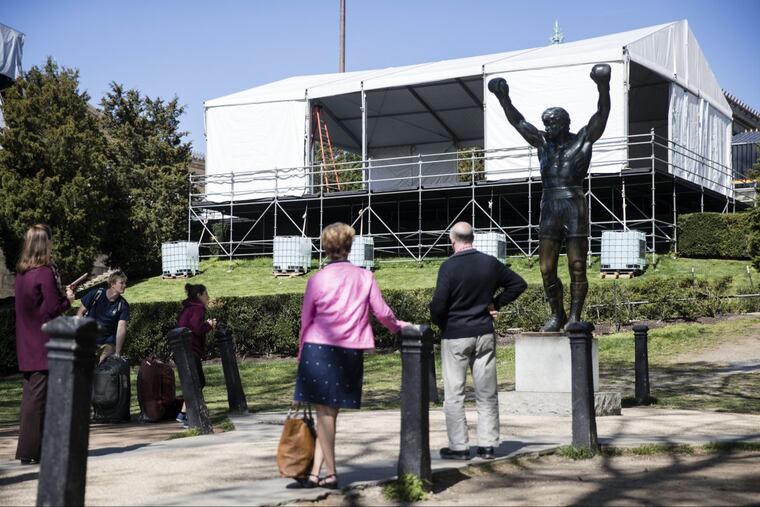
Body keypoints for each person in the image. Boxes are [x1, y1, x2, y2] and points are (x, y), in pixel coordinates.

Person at [488, 64, 611, 331]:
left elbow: (602, 114)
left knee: (577, 265)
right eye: (545, 122)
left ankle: (576, 317)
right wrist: (503, 97)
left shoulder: (582, 140)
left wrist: (603, 84)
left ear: (565, 122)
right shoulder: (543, 144)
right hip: (549, 206)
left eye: (552, 122)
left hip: (574, 203)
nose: (548, 126)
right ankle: (558, 315)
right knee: (546, 268)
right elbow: (518, 121)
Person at [293, 222, 408, 489]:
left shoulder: (317, 279)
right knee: (328, 413)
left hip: (317, 349)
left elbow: (306, 320)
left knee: (326, 413)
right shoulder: (365, 277)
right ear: (350, 246)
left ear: (325, 247)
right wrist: (400, 327)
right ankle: (317, 474)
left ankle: (326, 473)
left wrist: (301, 353)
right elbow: (383, 313)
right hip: (349, 350)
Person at [430, 222, 527, 461]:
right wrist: (496, 303)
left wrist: (441, 322)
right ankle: (487, 445)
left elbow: (439, 305)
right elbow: (518, 284)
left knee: (455, 393)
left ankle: (459, 447)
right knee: (486, 392)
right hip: (483, 332)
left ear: (452, 240)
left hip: (455, 334)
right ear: (472, 238)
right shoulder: (489, 263)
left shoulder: (448, 267)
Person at [14, 224, 75, 465]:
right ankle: (35, 450)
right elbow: (52, 309)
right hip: (45, 342)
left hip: (27, 342)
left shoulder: (21, 273)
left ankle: (30, 450)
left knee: (33, 397)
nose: (52, 245)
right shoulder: (45, 272)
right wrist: (68, 299)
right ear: (44, 243)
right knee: (44, 398)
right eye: (50, 241)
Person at [175, 283, 216, 428]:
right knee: (197, 382)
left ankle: (183, 414)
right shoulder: (198, 308)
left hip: (182, 349)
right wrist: (209, 325)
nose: (208, 297)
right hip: (191, 350)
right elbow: (197, 328)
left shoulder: (188, 307)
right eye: (206, 294)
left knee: (193, 382)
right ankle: (188, 416)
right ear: (199, 295)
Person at [76, 271, 130, 363]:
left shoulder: (123, 305)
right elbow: (80, 313)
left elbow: (121, 329)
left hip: (107, 343)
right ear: (113, 284)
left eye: (125, 283)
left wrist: (117, 353)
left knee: (101, 362)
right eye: (121, 283)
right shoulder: (96, 294)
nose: (125, 285)